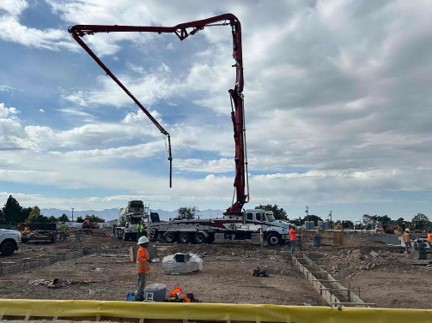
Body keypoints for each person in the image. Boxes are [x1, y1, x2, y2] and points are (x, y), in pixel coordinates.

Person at [135, 235, 150, 301]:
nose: (147, 244)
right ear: (143, 243)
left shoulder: (143, 249)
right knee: (142, 284)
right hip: (142, 270)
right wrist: (146, 261)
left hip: (143, 269)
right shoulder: (141, 250)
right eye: (146, 243)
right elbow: (139, 259)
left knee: (142, 284)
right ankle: (138, 297)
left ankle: (140, 295)